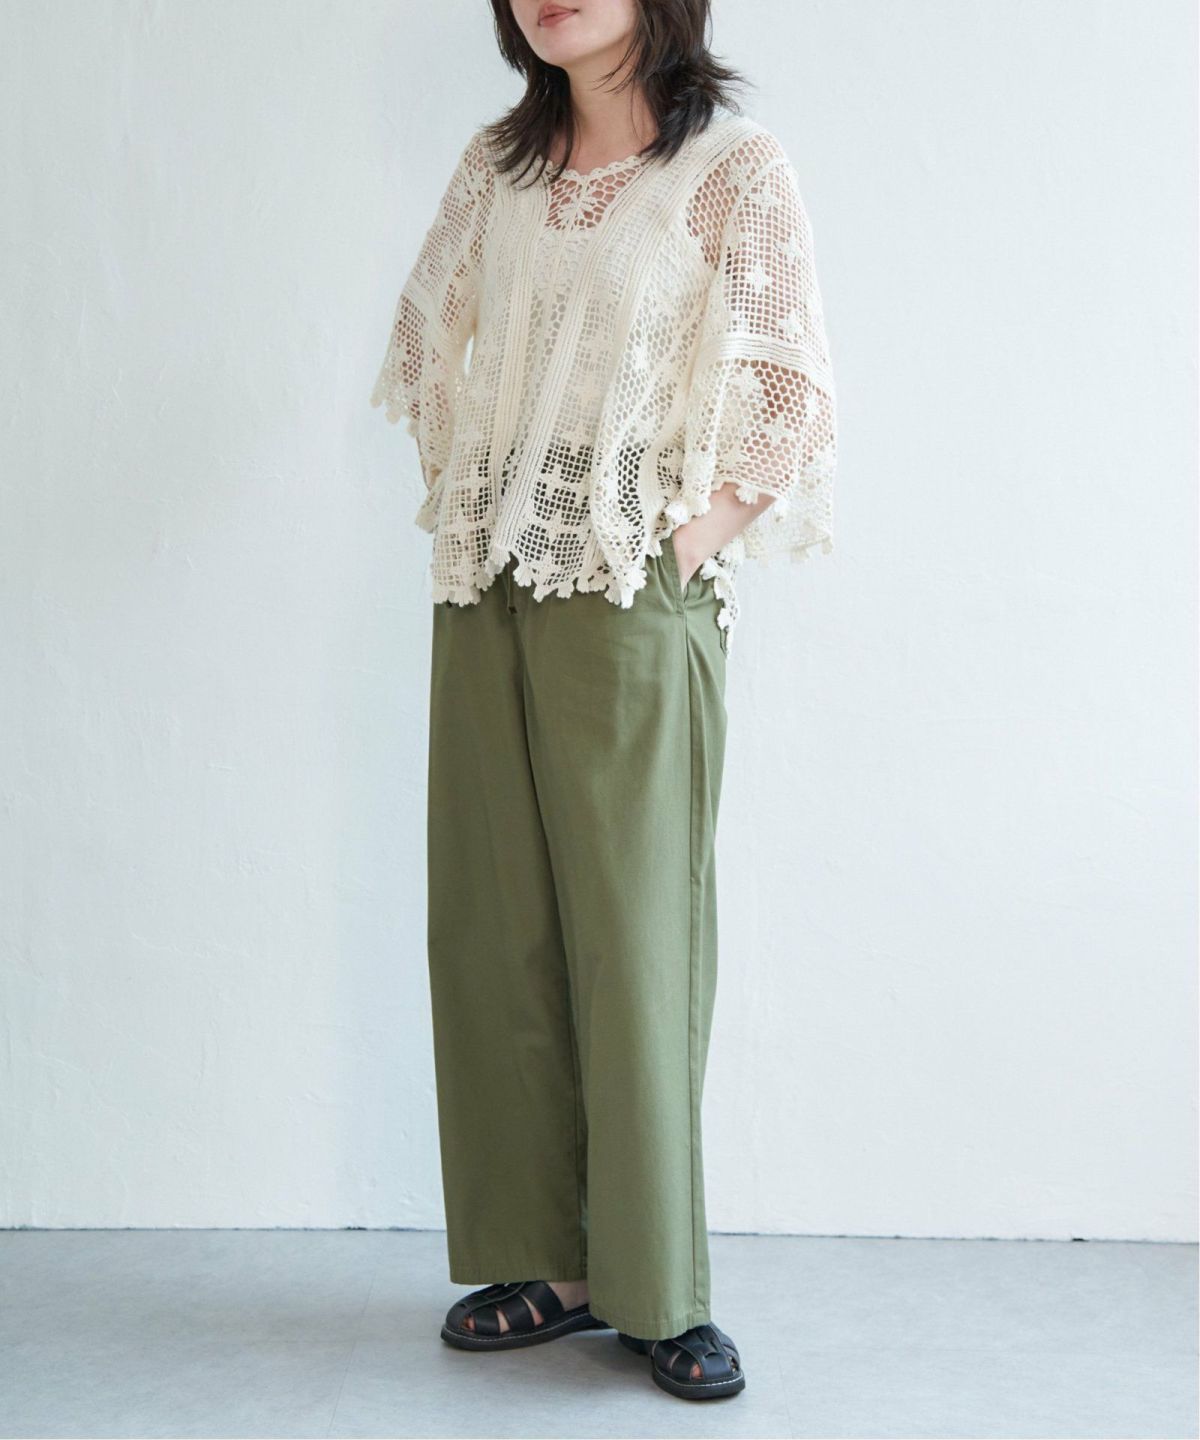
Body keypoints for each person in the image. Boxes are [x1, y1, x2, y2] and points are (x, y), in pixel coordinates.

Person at [369, 0, 837, 1403]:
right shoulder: (498, 167)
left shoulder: (730, 168)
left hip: (633, 583)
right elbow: (427, 342)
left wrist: (682, 538)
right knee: (494, 926)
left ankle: (659, 1286)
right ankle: (549, 1263)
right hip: (490, 581)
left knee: (636, 939)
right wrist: (484, 492)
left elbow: (791, 396)